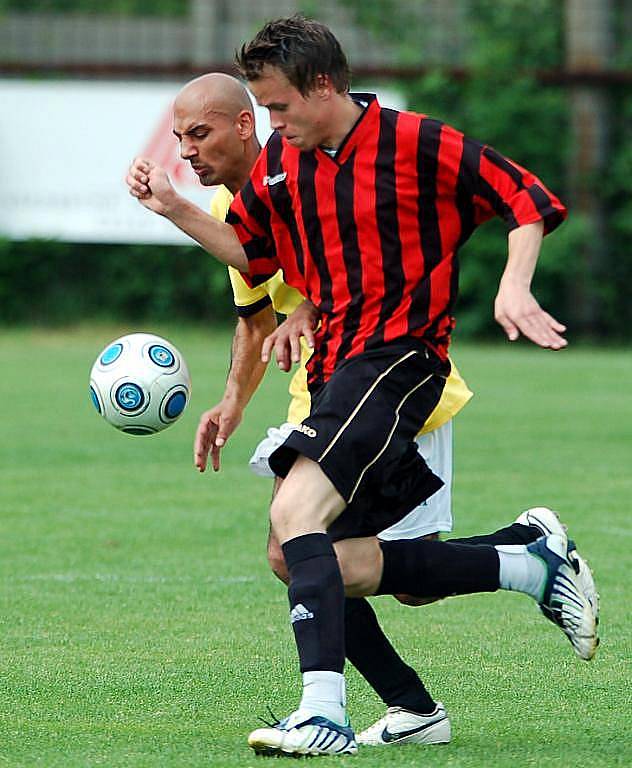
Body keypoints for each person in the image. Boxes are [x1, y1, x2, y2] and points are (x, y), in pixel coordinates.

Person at [126, 21, 599, 756]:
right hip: (334, 373)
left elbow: (527, 197)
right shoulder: (287, 163)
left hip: (400, 359)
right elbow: (254, 253)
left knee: (295, 511)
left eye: (279, 109)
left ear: (323, 87)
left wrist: (514, 284)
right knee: (311, 557)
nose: (273, 128)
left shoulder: (414, 142)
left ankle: (323, 713)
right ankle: (523, 566)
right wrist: (173, 209)